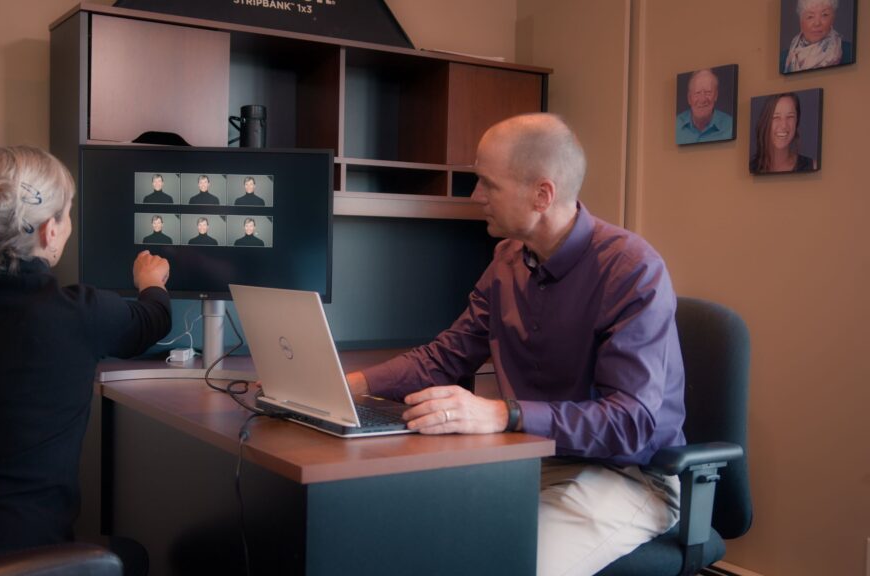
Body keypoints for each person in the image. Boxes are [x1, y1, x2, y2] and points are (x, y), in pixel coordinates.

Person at [345, 114, 685, 576]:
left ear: (542, 195)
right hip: (529, 460)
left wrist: (503, 414)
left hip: (628, 476)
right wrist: (351, 384)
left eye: (488, 183)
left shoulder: (632, 269)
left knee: (503, 565)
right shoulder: (507, 261)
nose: (476, 196)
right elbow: (445, 357)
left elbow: (631, 423)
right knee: (401, 532)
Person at [0, 145, 171, 573]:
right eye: (67, 214)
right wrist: (151, 282)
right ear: (49, 231)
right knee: (131, 556)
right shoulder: (79, 313)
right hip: (18, 564)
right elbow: (153, 320)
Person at [749, 92, 817, 173]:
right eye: (776, 117)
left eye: (790, 117)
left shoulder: (812, 166)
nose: (784, 125)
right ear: (765, 121)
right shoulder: (751, 168)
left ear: (797, 121)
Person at [781, 0, 853, 73]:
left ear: (832, 18)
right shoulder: (783, 58)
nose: (817, 23)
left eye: (824, 15)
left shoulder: (849, 52)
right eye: (810, 17)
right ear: (801, 21)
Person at [675, 68, 734, 144]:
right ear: (689, 98)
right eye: (697, 93)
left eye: (708, 92)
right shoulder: (676, 125)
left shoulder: (730, 126)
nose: (702, 99)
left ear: (716, 95)